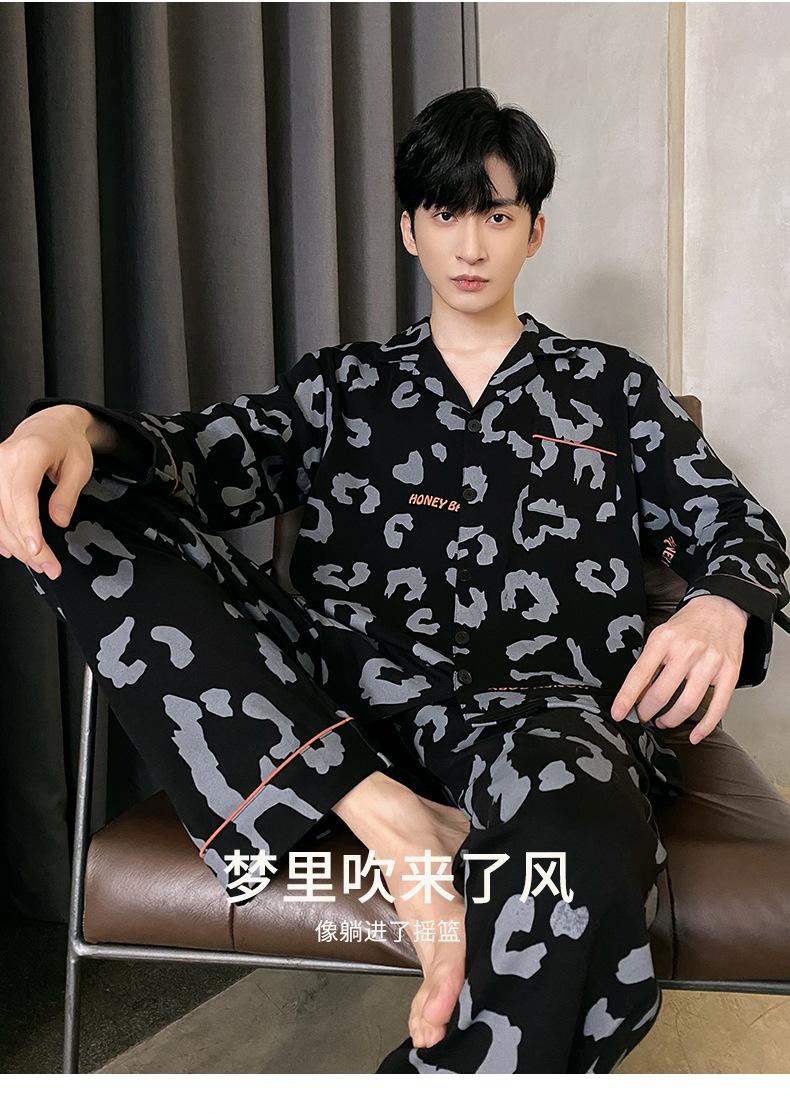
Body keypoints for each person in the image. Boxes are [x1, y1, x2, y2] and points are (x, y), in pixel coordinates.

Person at [1, 86, 788, 1073]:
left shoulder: (611, 388)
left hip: (547, 716)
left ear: (535, 231)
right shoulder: (341, 386)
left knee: (582, 851)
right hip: (332, 704)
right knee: (80, 497)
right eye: (446, 213)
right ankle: (381, 808)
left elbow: (733, 522)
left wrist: (724, 601)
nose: (470, 244)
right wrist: (65, 423)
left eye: (496, 214)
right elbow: (188, 458)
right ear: (410, 227)